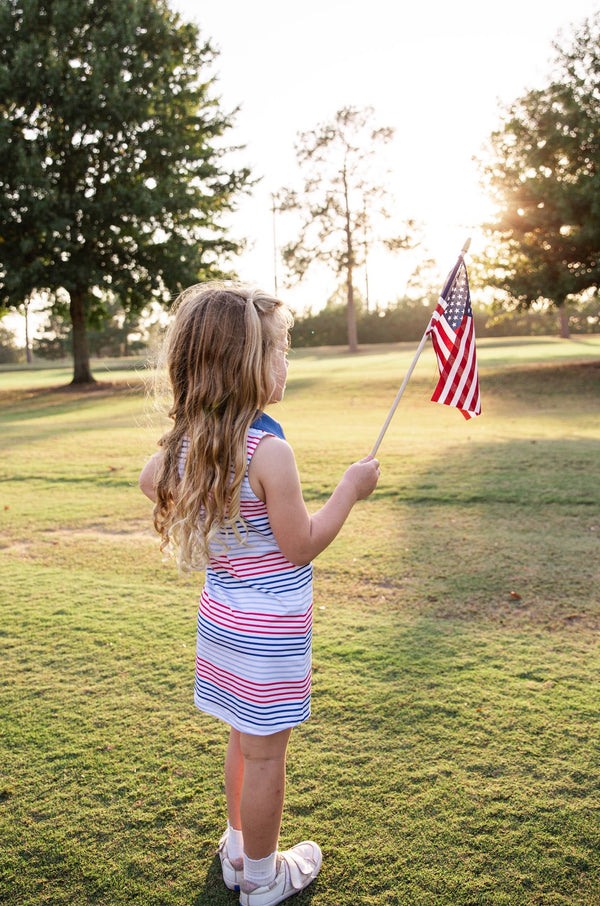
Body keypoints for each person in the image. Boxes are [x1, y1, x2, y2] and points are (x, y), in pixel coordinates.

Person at [139, 283, 380, 906]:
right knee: (266, 754)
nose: (287, 361)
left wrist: (211, 503)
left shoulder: (195, 445)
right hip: (269, 633)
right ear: (246, 364)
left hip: (223, 622)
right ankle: (265, 878)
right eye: (280, 348)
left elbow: (150, 480)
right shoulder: (268, 450)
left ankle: (239, 847)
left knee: (242, 737)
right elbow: (300, 545)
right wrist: (349, 490)